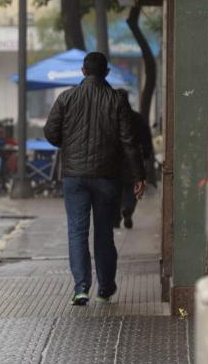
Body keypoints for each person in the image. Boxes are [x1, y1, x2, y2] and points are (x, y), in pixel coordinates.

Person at [44, 52, 144, 306]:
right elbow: (129, 141)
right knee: (103, 233)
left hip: (74, 177)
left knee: (77, 231)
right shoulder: (116, 100)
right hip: (106, 176)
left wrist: (67, 144)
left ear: (82, 71)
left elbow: (51, 132)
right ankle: (106, 287)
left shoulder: (67, 97)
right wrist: (138, 175)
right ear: (107, 73)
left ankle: (81, 288)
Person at [113, 89, 154, 229]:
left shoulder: (111, 117)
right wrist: (147, 154)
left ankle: (116, 216)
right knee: (132, 187)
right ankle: (128, 210)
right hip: (133, 159)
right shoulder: (137, 117)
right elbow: (146, 138)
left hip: (114, 160)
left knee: (115, 188)